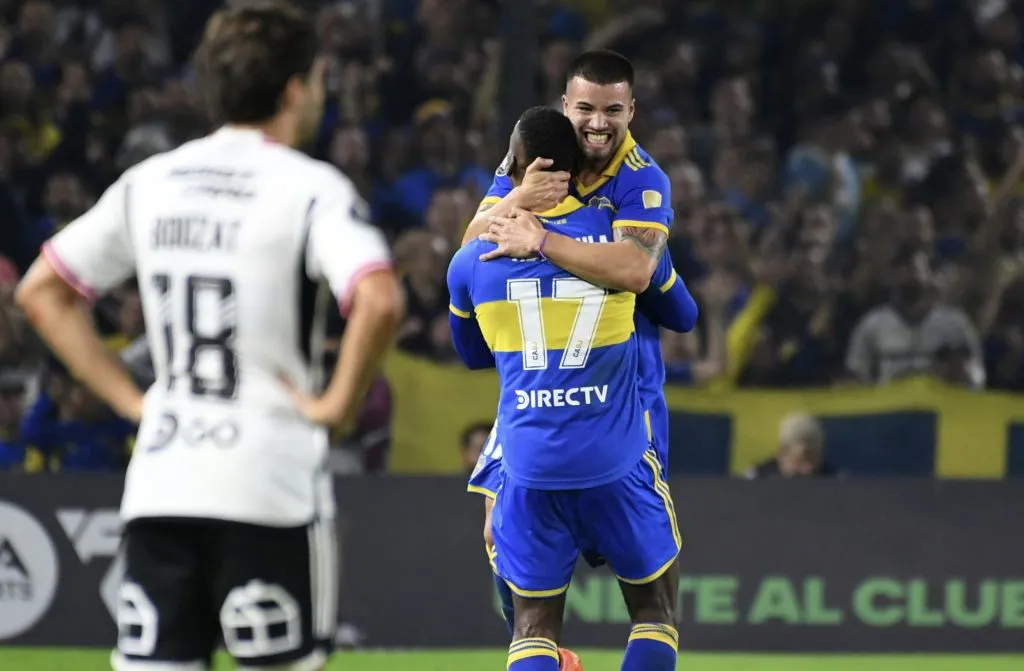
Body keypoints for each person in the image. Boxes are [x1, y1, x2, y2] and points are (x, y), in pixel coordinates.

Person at [14, 4, 404, 671]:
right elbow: (380, 296)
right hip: (269, 482)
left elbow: (41, 292)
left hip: (164, 479)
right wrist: (337, 405)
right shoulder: (310, 188)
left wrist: (131, 401)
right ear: (294, 89)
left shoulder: (152, 181)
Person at [449, 106, 692, 671]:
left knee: (532, 627)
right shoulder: (621, 245)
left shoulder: (472, 260)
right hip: (615, 456)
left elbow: (472, 355)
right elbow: (683, 313)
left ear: (515, 168)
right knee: (654, 613)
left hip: (530, 458)